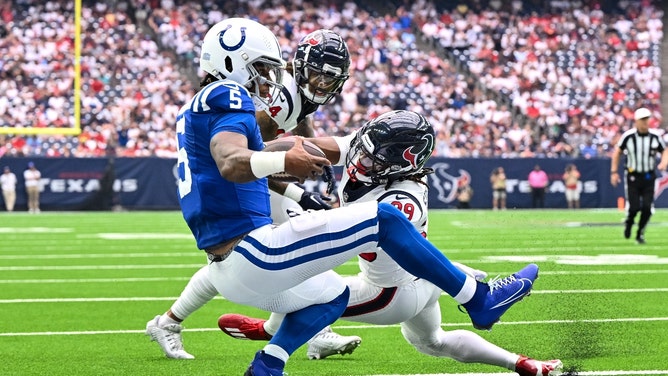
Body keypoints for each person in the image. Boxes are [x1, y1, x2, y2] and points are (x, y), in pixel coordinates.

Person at [165, 18, 536, 376]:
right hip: (257, 253)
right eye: (262, 67)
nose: (270, 77)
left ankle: (270, 362)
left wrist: (291, 157)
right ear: (233, 61)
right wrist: (287, 160)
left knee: (333, 293)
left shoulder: (195, 108)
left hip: (229, 265)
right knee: (383, 221)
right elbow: (234, 161)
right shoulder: (225, 93)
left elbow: (272, 149)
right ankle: (478, 300)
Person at [218, 110, 562, 376]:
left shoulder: (405, 197)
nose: (360, 160)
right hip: (428, 280)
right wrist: (258, 153)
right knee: (433, 341)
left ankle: (268, 336)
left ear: (401, 164)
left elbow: (357, 239)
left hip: (392, 293)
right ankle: (523, 364)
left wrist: (304, 221)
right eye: (364, 149)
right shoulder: (372, 148)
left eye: (373, 158)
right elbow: (309, 145)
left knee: (318, 292)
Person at [146, 29, 360, 361]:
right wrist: (295, 192)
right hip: (230, 185)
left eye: (333, 77)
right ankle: (316, 331)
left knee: (239, 262)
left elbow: (297, 142)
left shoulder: (293, 99)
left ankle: (168, 322)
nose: (324, 83)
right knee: (297, 242)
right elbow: (249, 159)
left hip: (223, 191)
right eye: (320, 73)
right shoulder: (266, 99)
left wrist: (300, 189)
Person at [611, 107, 668, 244]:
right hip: (633, 177)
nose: (645, 122)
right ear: (636, 121)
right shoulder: (629, 136)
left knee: (648, 208)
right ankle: (629, 222)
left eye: (647, 119)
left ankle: (640, 232)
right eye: (642, 120)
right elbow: (617, 152)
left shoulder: (655, 136)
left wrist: (663, 163)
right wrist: (613, 172)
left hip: (649, 176)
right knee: (634, 207)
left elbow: (665, 150)